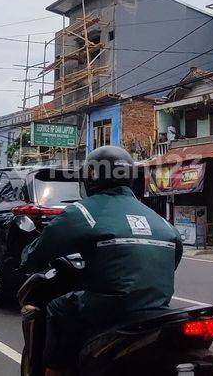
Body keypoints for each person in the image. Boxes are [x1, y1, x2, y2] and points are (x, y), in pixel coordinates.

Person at [20, 146, 183, 373]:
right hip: (156, 308)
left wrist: (26, 258)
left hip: (110, 307)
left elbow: (38, 254)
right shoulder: (160, 220)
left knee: (57, 308)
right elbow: (173, 260)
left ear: (91, 177)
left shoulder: (83, 212)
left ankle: (54, 371)